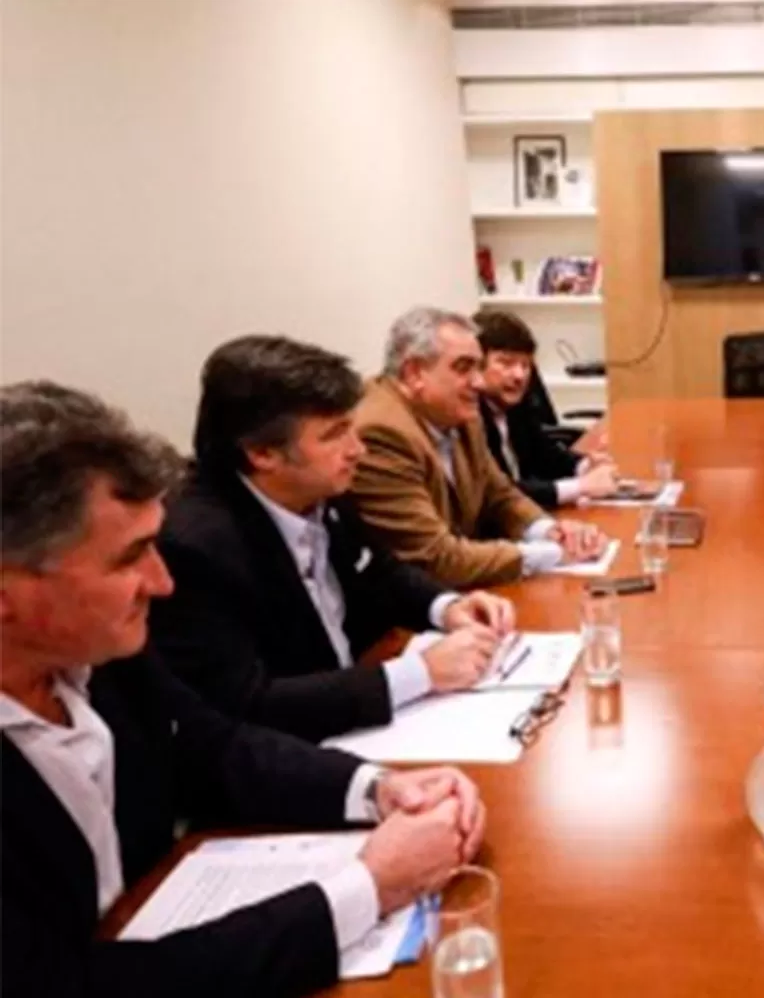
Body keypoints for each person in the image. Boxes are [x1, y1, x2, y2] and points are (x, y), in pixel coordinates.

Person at [0, 381, 486, 998]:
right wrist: (369, 887)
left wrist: (379, 788)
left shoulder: (96, 654)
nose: (163, 582)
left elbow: (215, 748)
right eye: (129, 559)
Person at [152, 336, 516, 743]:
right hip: (296, 759)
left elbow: (380, 570)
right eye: (334, 434)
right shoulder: (196, 547)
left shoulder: (321, 491)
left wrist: (446, 607)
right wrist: (420, 673)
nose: (357, 450)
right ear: (262, 453)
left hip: (367, 718)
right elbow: (247, 704)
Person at [348, 306, 606, 589]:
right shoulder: (382, 434)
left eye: (478, 367)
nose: (479, 382)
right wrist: (554, 554)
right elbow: (436, 557)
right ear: (414, 374)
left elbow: (499, 495)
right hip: (411, 613)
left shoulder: (457, 413)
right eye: (463, 368)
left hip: (464, 589)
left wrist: (549, 531)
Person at [474, 309, 617, 510]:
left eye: (526, 365)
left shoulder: (516, 405)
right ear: (477, 366)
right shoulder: (468, 416)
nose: (519, 375)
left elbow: (543, 452)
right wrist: (580, 486)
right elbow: (499, 492)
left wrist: (584, 466)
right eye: (506, 363)